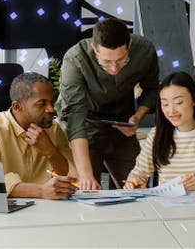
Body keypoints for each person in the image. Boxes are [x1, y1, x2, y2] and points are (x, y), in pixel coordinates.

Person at [56, 18, 160, 190]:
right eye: (106, 62)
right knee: (88, 190)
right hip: (85, 127)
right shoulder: (75, 59)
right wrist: (85, 175)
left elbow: (152, 89)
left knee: (137, 188)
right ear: (94, 49)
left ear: (129, 44)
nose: (114, 68)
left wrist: (137, 117)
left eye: (121, 60)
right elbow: (75, 117)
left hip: (121, 125)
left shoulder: (144, 51)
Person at [0, 72, 77, 200]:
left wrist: (51, 152)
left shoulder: (54, 129)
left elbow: (72, 176)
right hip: (7, 208)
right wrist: (41, 191)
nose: (51, 109)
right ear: (17, 106)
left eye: (52, 102)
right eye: (42, 104)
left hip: (51, 207)